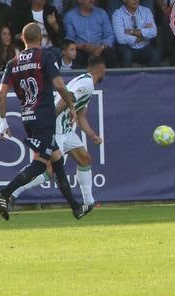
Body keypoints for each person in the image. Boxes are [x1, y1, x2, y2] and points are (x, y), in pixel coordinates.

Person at [0, 22, 85, 221]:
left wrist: (2, 119)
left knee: (57, 162)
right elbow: (59, 85)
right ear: (40, 38)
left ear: (23, 39)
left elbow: (1, 94)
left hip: (28, 119)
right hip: (44, 118)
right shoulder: (46, 56)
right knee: (41, 164)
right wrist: (72, 107)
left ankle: (77, 207)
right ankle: (5, 193)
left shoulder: (12, 63)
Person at [8, 53, 106, 212]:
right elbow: (67, 98)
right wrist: (50, 121)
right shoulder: (86, 83)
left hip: (67, 130)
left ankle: (89, 203)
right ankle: (13, 193)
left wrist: (92, 135)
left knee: (85, 159)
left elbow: (80, 114)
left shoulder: (87, 82)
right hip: (58, 128)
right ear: (101, 68)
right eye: (105, 69)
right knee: (48, 170)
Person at [61, 0, 113, 69]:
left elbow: (110, 35)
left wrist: (100, 47)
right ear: (79, 0)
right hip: (81, 50)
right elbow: (69, 39)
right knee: (73, 54)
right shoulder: (70, 16)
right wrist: (82, 46)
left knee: (110, 53)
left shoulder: (101, 13)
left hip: (99, 49)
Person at [111, 0, 160, 67]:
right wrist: (142, 36)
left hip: (144, 47)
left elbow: (153, 32)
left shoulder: (146, 11)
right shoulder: (117, 14)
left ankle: (152, 80)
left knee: (155, 54)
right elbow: (120, 38)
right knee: (127, 54)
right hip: (127, 48)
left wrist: (132, 32)